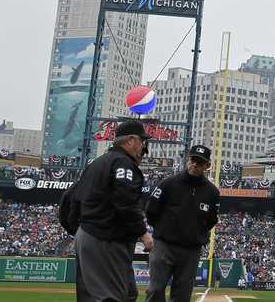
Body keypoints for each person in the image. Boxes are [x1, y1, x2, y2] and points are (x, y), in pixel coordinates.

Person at [74, 120, 154, 302]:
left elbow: (71, 199)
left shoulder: (96, 163)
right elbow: (125, 202)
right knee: (110, 297)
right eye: (142, 141)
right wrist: (143, 233)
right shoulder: (123, 163)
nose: (143, 146)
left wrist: (78, 231)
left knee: (120, 294)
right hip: (105, 238)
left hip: (87, 234)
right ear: (131, 140)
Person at [144, 144, 221, 302]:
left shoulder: (212, 192)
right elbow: (151, 209)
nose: (195, 164)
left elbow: (212, 220)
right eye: (193, 160)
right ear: (188, 160)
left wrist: (195, 233)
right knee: (155, 290)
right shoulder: (169, 183)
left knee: (182, 296)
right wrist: (162, 230)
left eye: (200, 162)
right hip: (164, 245)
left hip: (191, 250)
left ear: (207, 166)